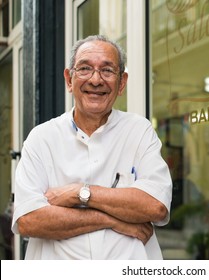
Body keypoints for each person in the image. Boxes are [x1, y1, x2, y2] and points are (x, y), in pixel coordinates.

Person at [11, 35, 172, 259]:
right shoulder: (41, 139)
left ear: (122, 82)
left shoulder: (139, 131)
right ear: (69, 79)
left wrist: (79, 193)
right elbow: (29, 220)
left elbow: (155, 206)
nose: (96, 80)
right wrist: (113, 219)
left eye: (107, 70)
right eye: (85, 68)